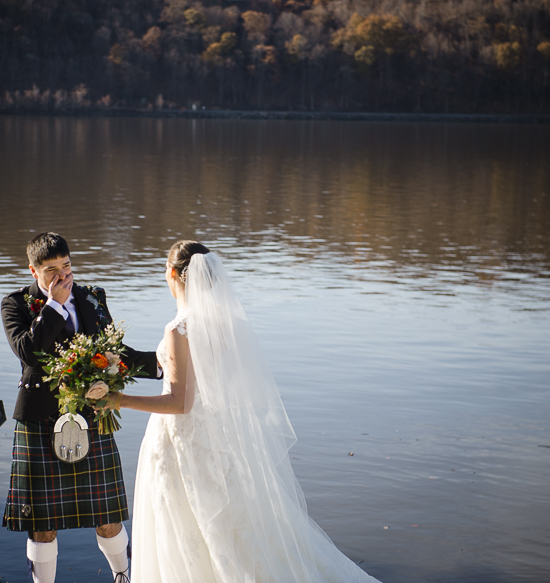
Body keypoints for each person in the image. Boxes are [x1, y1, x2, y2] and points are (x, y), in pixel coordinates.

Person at [107, 240, 381, 582]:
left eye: (165, 270)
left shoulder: (179, 329)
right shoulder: (228, 324)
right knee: (232, 524)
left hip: (182, 445)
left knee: (185, 526)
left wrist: (119, 401)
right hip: (219, 440)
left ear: (174, 274)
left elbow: (180, 403)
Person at [1, 232, 162, 583]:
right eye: (51, 270)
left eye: (67, 266)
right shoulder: (15, 304)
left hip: (91, 415)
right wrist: (55, 307)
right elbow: (29, 352)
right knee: (42, 525)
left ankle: (123, 577)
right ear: (33, 271)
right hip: (39, 419)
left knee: (107, 516)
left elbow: (115, 353)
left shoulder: (92, 297)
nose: (63, 276)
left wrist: (164, 365)